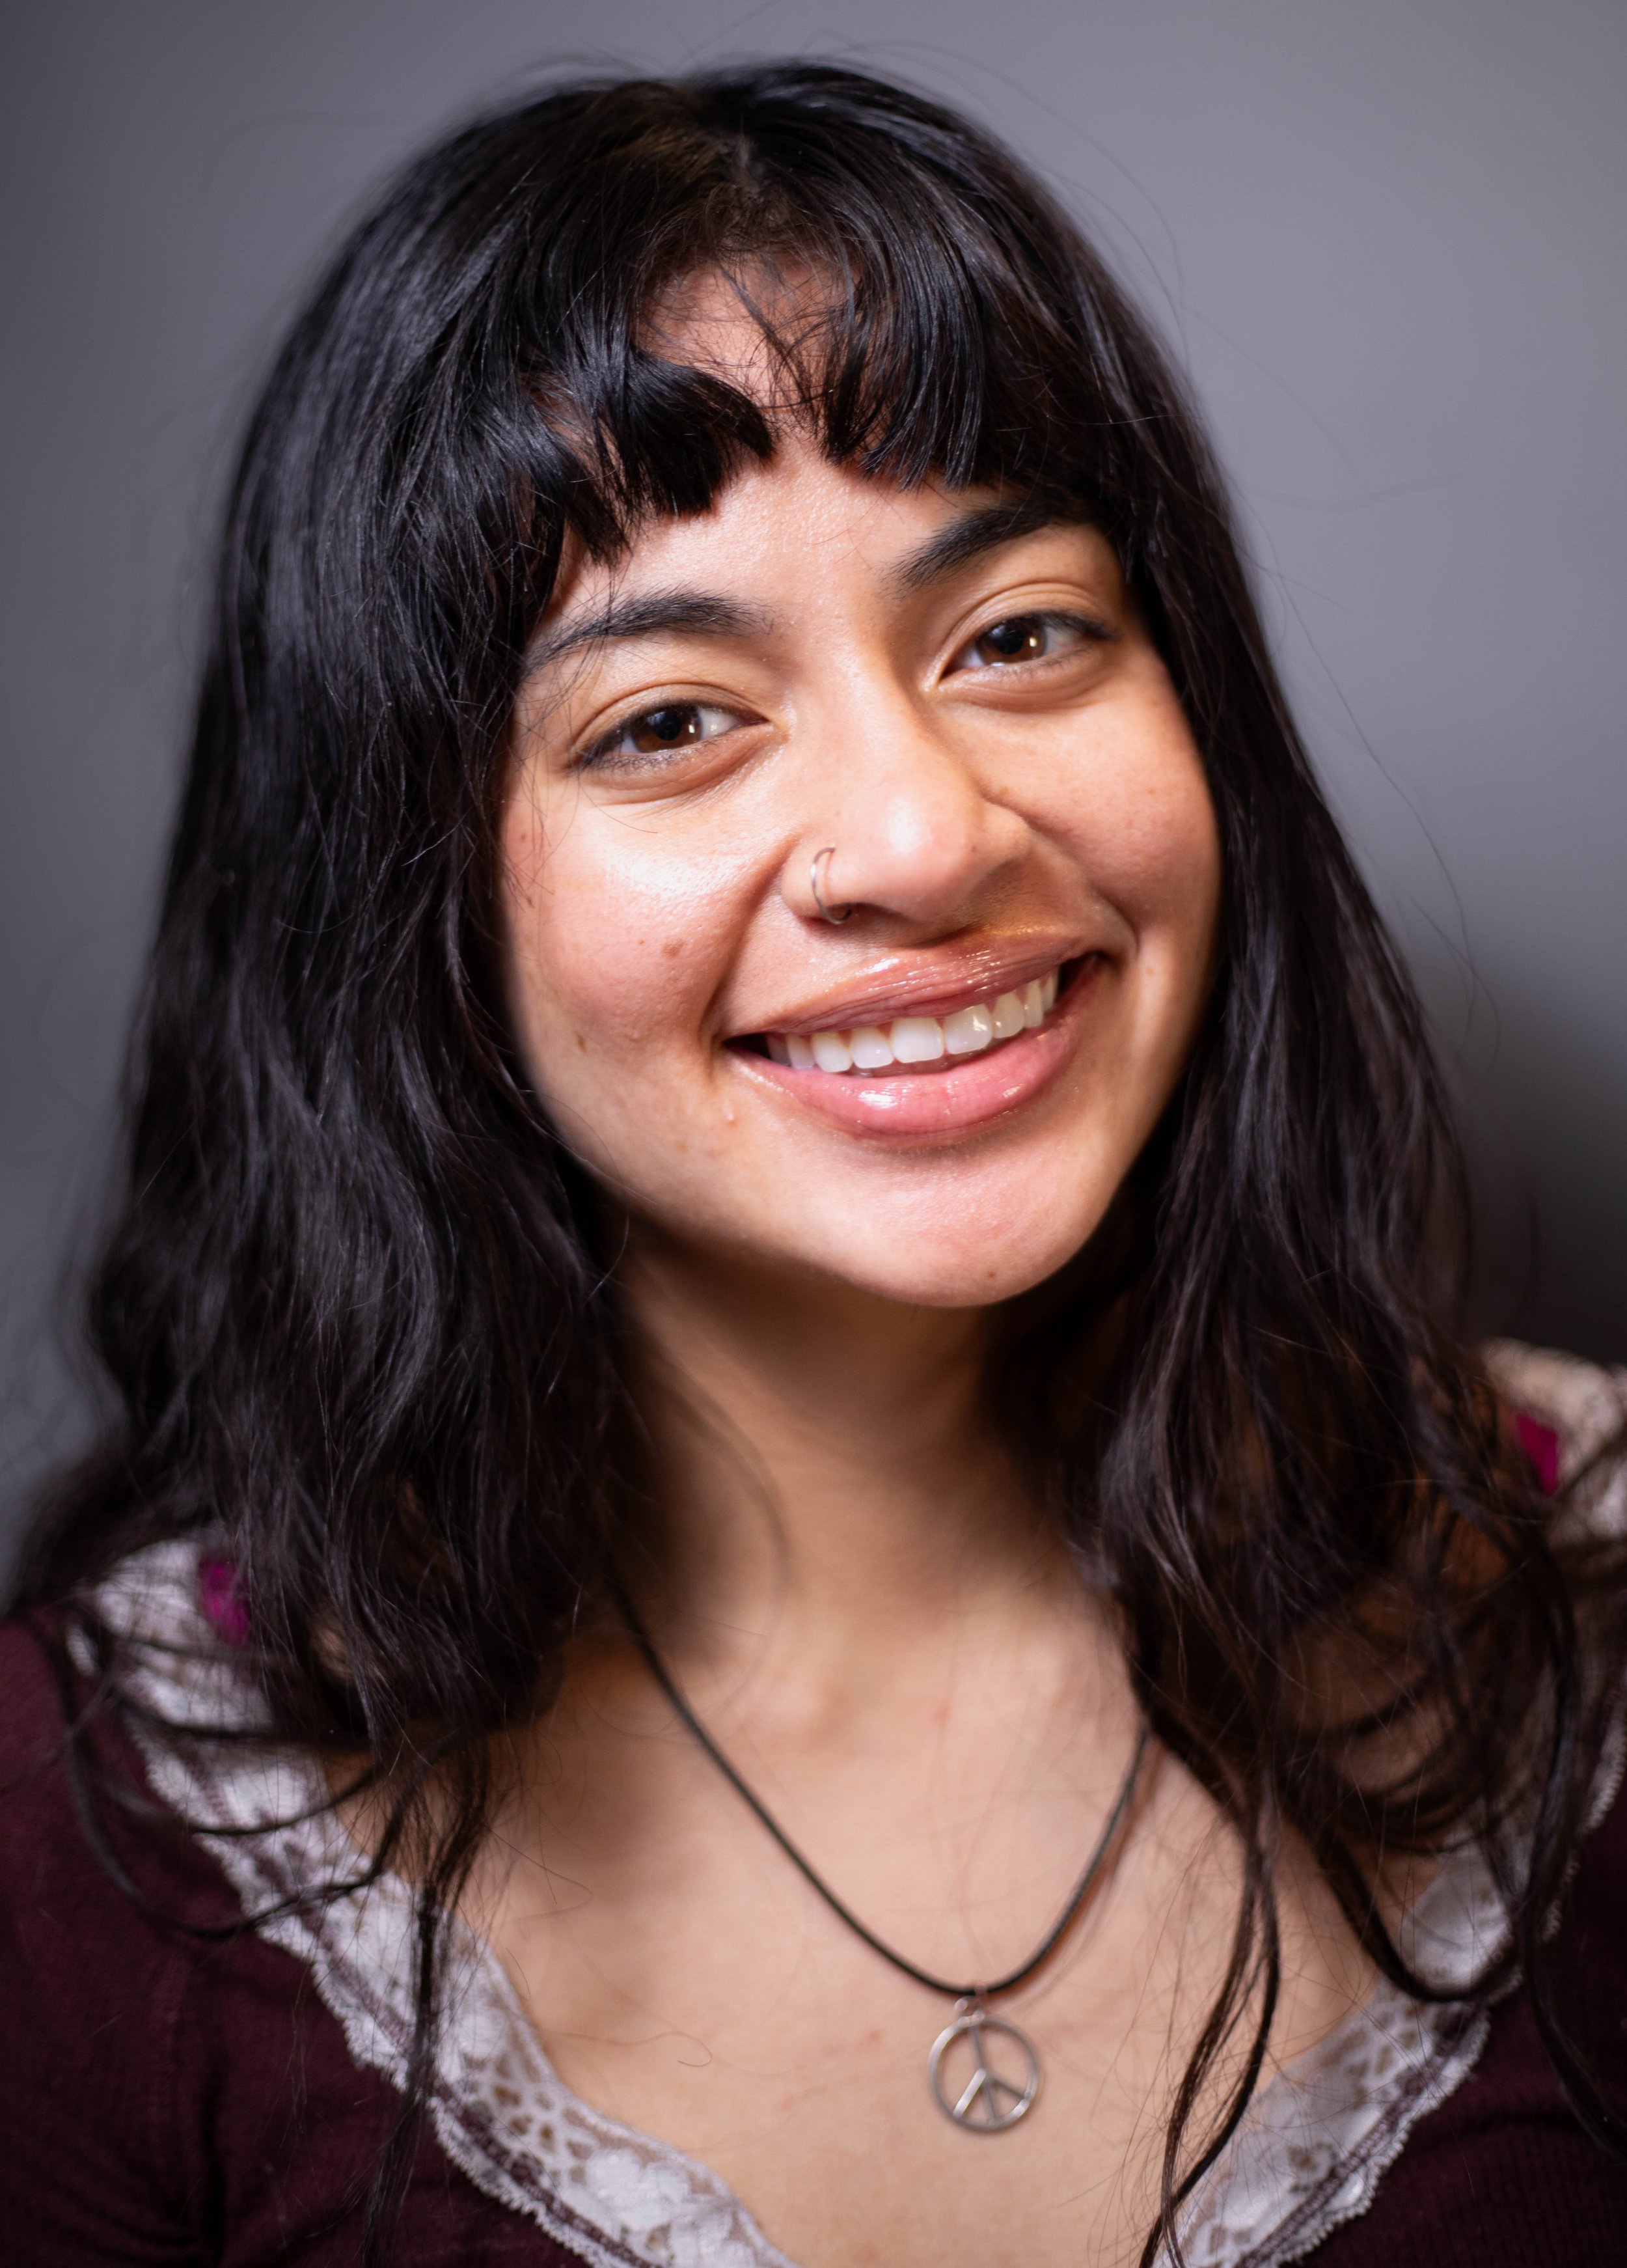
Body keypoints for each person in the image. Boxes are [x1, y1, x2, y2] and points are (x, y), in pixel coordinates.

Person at [2, 62, 1625, 2268]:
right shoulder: (76, 1855)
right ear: (404, 906)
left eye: (1020, 633)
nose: (927, 834)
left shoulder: (1595, 1606)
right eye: (666, 718)